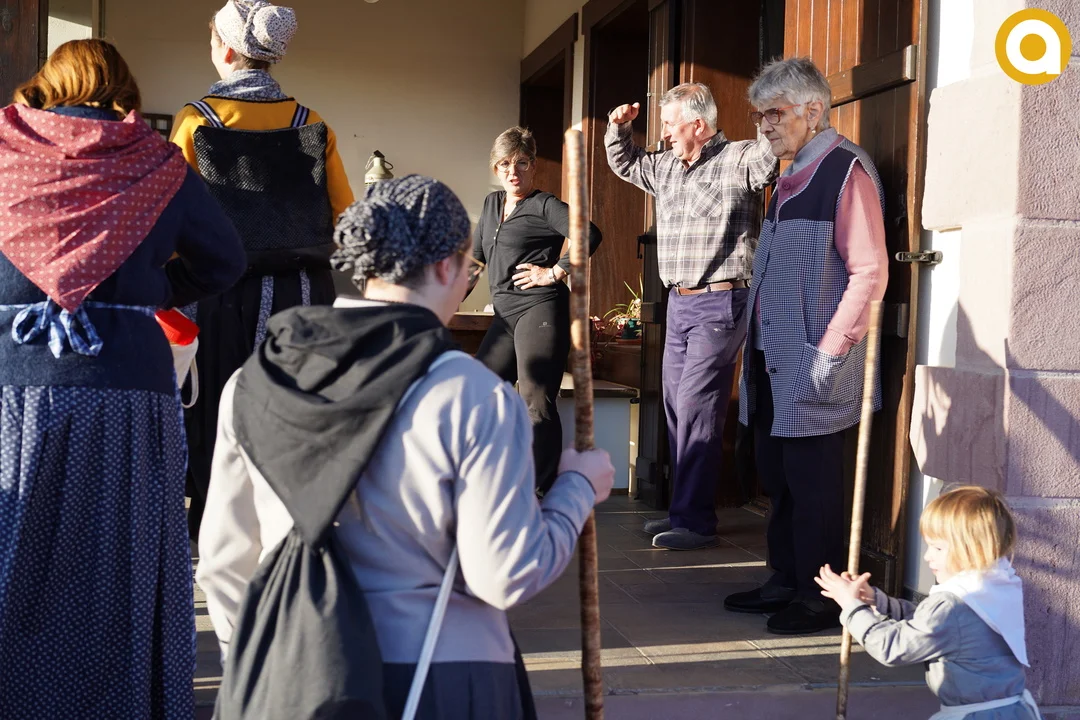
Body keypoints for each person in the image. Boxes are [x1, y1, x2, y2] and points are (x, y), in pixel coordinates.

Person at [197, 175, 615, 719]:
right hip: (441, 676)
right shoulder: (474, 394)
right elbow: (506, 572)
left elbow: (224, 562)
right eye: (468, 266)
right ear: (445, 267)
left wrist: (254, 662)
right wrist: (576, 488)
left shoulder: (254, 382)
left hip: (287, 677)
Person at [0, 40, 245, 718]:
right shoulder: (158, 163)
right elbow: (225, 260)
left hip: (11, 386)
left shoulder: (3, 152)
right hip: (126, 388)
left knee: (11, 550)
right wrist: (153, 288)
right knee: (115, 562)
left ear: (46, 84)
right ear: (122, 89)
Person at [171, 0, 355, 540]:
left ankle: (215, 527)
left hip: (217, 290)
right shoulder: (312, 124)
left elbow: (169, 213)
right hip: (302, 292)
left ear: (227, 50)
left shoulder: (195, 120)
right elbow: (345, 215)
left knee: (214, 412)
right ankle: (287, 527)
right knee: (293, 409)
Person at [724, 57, 889, 634]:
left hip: (817, 358)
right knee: (779, 474)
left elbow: (869, 273)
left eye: (774, 113)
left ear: (813, 111)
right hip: (773, 356)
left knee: (813, 483)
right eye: (759, 116)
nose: (764, 126)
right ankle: (787, 579)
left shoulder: (846, 172)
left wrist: (829, 353)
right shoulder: (789, 175)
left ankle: (822, 599)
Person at [606, 83, 778, 550]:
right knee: (675, 407)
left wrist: (771, 110)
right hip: (678, 304)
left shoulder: (738, 159)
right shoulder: (665, 166)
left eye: (669, 124)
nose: (663, 133)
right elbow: (625, 163)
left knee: (697, 406)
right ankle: (683, 511)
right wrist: (619, 128)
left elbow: (770, 157)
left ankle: (696, 522)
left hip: (721, 302)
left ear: (698, 125)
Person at [816, 486, 1040, 720]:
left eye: (938, 548)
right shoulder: (993, 585)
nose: (927, 556)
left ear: (973, 549)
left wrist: (852, 606)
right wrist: (876, 601)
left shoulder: (954, 604)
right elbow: (929, 621)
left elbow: (893, 647)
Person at [472, 127, 603, 495]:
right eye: (504, 164)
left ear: (533, 166)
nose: (513, 171)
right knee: (481, 389)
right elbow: (476, 259)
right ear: (495, 169)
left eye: (521, 163)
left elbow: (589, 234)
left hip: (541, 309)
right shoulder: (491, 204)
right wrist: (445, 302)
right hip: (504, 316)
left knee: (535, 399)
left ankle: (541, 488)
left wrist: (555, 271)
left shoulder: (544, 205)